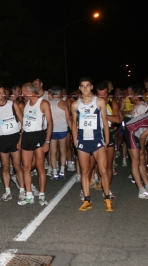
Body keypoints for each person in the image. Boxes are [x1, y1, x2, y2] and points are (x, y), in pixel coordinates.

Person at [71, 77, 113, 212]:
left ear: (92, 87)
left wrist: (106, 139)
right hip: (83, 141)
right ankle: (87, 199)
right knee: (84, 171)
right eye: (82, 86)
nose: (85, 89)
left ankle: (107, 198)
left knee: (103, 170)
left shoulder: (99, 102)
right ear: (79, 88)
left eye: (87, 86)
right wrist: (75, 140)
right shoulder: (75, 105)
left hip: (97, 140)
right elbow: (73, 124)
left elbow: (105, 122)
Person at [17, 82, 53, 206]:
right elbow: (25, 124)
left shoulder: (43, 103)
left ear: (29, 92)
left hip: (39, 135)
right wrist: (21, 139)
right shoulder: (27, 104)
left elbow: (50, 123)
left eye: (22, 92)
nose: (21, 95)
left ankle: (42, 196)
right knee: (26, 167)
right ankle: (29, 195)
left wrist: (47, 141)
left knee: (40, 166)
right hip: (27, 136)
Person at [0, 85, 25, 202]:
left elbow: (22, 121)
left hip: (14, 137)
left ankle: (22, 190)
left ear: (5, 93)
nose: (0, 95)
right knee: (5, 167)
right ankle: (7, 191)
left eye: (2, 93)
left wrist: (21, 138)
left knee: (17, 166)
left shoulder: (12, 104)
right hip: (2, 138)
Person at [95, 81, 122, 198]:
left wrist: (104, 116)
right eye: (100, 95)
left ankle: (107, 189)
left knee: (109, 165)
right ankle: (100, 181)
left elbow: (118, 120)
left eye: (104, 94)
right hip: (95, 134)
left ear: (107, 93)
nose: (102, 97)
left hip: (109, 133)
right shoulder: (92, 103)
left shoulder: (112, 103)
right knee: (96, 164)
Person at [48, 86, 72, 180]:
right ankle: (62, 170)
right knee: (63, 150)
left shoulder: (48, 103)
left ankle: (54, 171)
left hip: (52, 130)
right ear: (60, 93)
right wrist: (73, 131)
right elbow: (68, 118)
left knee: (53, 152)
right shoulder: (63, 103)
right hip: (62, 129)